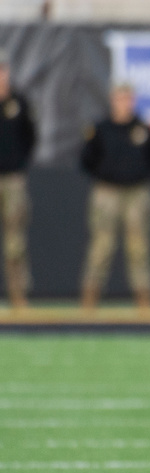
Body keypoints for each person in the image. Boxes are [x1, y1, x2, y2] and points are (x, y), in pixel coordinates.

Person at [80, 82, 150, 312]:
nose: (123, 103)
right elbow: (86, 159)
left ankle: (144, 298)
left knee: (138, 247)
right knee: (101, 246)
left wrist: (139, 175)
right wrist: (106, 174)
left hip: (136, 193)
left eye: (127, 99)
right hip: (107, 192)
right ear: (112, 100)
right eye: (119, 98)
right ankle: (90, 296)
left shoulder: (142, 129)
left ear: (133, 101)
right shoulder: (101, 128)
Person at [0, 48, 36, 311]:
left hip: (12, 179)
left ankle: (18, 295)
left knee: (15, 242)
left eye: (2, 70)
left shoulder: (19, 103)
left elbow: (30, 137)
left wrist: (18, 163)